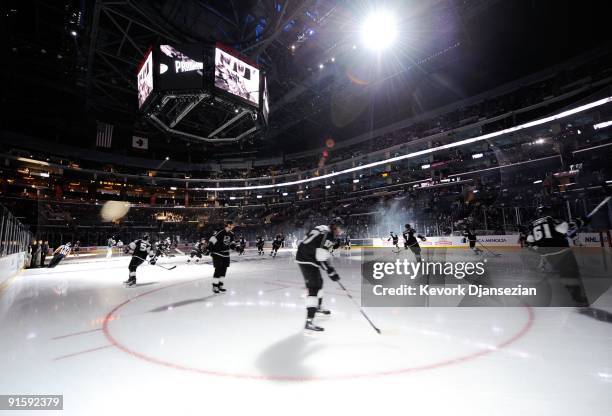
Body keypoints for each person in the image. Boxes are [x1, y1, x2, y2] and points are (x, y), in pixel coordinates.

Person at [525, 205, 588, 306]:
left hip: (549, 255)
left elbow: (529, 241)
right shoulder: (552, 220)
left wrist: (542, 253)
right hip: (562, 251)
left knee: (563, 274)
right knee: (570, 274)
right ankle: (577, 298)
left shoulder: (532, 225)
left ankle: (571, 295)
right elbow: (565, 229)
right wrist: (580, 221)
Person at [295, 218, 342, 332]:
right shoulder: (329, 235)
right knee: (314, 288)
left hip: (305, 255)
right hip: (307, 259)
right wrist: (331, 272)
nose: (341, 232)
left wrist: (330, 270)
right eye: (340, 229)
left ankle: (318, 308)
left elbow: (317, 248)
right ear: (335, 227)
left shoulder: (323, 228)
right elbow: (321, 257)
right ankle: (309, 321)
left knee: (319, 282)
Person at [207, 221, 237, 294]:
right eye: (232, 225)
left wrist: (237, 247)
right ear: (228, 225)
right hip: (217, 253)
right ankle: (215, 286)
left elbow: (232, 244)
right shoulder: (220, 232)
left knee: (224, 271)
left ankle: (220, 285)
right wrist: (209, 249)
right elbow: (212, 239)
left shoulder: (231, 234)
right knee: (218, 270)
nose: (233, 226)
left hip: (226, 254)